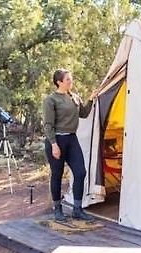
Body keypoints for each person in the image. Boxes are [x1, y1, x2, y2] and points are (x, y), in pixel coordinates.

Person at [42, 69, 99, 222]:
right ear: (59, 82)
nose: (70, 81)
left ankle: (77, 209)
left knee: (80, 172)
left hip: (72, 139)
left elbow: (84, 113)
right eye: (68, 79)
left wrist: (91, 99)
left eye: (70, 79)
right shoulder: (51, 100)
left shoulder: (74, 97)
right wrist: (54, 144)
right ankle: (57, 209)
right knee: (57, 175)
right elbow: (47, 125)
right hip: (57, 140)